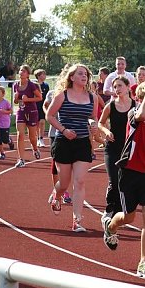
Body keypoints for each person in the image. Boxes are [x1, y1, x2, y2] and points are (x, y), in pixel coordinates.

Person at [103, 79, 145, 279]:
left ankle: (143, 262)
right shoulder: (134, 114)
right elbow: (140, 114)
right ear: (141, 99)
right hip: (129, 172)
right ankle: (110, 227)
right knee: (128, 217)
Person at [45, 64, 98, 232]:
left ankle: (77, 220)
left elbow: (93, 117)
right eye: (80, 74)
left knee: (80, 181)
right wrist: (63, 130)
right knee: (65, 183)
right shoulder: (62, 95)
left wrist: (94, 125)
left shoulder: (93, 97)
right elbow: (49, 115)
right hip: (63, 142)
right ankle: (56, 195)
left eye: (86, 74)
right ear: (72, 77)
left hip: (82, 142)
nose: (84, 77)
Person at [98, 75, 135, 234]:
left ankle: (120, 213)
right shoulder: (110, 106)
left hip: (128, 149)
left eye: (120, 86)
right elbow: (100, 122)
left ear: (128, 87)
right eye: (115, 87)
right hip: (112, 148)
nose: (117, 89)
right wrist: (106, 131)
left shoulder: (135, 106)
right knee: (114, 180)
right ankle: (109, 210)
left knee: (124, 182)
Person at [12, 65, 43, 167]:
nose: (21, 72)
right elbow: (16, 101)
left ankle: (35, 148)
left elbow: (39, 98)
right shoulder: (15, 85)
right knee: (20, 134)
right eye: (20, 70)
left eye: (24, 71)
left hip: (32, 112)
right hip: (21, 111)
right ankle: (21, 159)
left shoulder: (31, 85)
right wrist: (16, 99)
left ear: (28, 74)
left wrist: (28, 99)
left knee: (32, 137)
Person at [0, 86, 13, 159]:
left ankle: (9, 140)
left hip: (5, 123)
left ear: (3, 93)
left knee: (5, 140)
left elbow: (11, 111)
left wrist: (5, 112)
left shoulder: (6, 102)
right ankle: (2, 153)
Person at [34, 69, 50, 148]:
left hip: (43, 105)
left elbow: (47, 97)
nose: (44, 76)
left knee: (42, 122)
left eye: (45, 74)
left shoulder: (46, 85)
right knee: (36, 123)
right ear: (38, 76)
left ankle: (41, 138)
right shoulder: (34, 85)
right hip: (35, 105)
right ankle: (37, 138)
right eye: (42, 74)